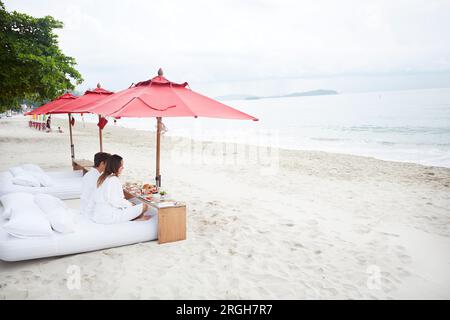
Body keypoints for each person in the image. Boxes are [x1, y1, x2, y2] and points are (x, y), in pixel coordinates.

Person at [92, 154, 150, 224]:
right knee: (144, 206)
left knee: (131, 205)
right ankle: (136, 219)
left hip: (98, 214)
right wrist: (131, 204)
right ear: (115, 166)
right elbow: (116, 201)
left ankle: (135, 216)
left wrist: (129, 204)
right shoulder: (113, 179)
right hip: (108, 216)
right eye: (121, 165)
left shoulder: (101, 177)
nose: (123, 167)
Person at [80, 152, 111, 218]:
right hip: (91, 211)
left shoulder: (89, 174)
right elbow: (100, 199)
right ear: (102, 163)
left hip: (85, 208)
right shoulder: (97, 178)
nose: (109, 166)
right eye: (108, 164)